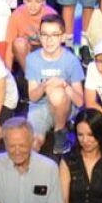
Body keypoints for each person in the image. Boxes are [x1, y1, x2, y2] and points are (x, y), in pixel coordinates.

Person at [26, 14, 85, 154]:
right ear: (39, 36)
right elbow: (33, 97)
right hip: (40, 107)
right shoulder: (32, 59)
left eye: (54, 35)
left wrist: (64, 85)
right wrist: (45, 85)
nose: (49, 40)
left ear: (63, 37)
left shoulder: (71, 61)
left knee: (56, 93)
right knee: (33, 144)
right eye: (44, 34)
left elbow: (79, 101)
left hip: (65, 106)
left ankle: (60, 131)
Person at [6, 0, 58, 72]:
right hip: (26, 51)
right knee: (19, 43)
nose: (32, 6)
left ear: (44, 1)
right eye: (29, 1)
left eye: (37, 1)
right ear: (23, 0)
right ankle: (30, 76)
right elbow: (10, 47)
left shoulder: (51, 14)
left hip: (45, 48)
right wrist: (8, 76)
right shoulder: (17, 14)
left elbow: (57, 43)